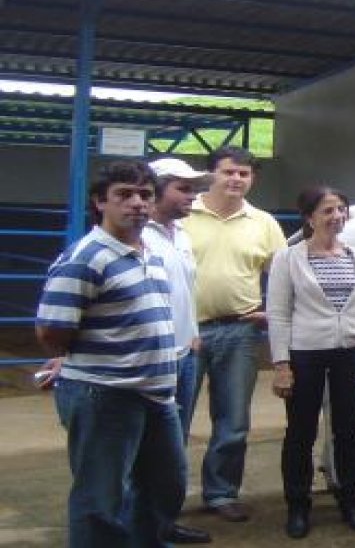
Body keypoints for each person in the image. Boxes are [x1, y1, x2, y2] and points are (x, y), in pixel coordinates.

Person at [35, 160, 186, 547]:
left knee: (164, 489)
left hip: (155, 394)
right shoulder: (86, 258)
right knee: (100, 501)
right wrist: (83, 357)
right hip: (104, 394)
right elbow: (51, 332)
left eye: (144, 195)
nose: (136, 203)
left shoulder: (149, 252)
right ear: (100, 202)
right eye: (123, 194)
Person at [267, 186, 355, 538]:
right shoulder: (288, 258)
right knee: (300, 431)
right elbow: (278, 315)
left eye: (341, 210)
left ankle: (350, 499)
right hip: (305, 353)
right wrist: (282, 365)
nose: (337, 217)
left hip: (352, 352)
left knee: (349, 430)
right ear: (309, 217)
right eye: (328, 210)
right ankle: (298, 505)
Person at [182, 145, 287, 522]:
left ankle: (221, 493)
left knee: (233, 420)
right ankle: (163, 495)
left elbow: (282, 274)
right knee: (173, 417)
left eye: (244, 174)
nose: (236, 180)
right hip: (185, 334)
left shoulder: (263, 222)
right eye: (229, 172)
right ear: (211, 174)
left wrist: (271, 313)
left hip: (240, 332)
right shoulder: (182, 214)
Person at [144, 157, 214, 545]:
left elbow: (182, 291)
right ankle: (140, 527)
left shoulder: (180, 235)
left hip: (185, 354)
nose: (193, 196)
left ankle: (162, 522)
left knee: (174, 446)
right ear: (157, 189)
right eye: (183, 189)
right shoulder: (140, 237)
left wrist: (193, 334)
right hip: (155, 358)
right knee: (148, 449)